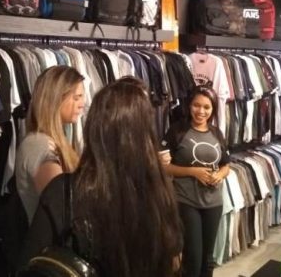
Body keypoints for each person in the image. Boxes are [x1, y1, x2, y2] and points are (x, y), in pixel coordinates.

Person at [18, 77, 183, 277]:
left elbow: (32, 262)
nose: (81, 104)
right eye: (76, 97)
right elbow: (173, 260)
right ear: (146, 135)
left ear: (93, 128)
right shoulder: (158, 191)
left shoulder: (65, 191)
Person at [162, 85, 230, 277]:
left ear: (213, 109)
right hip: (186, 201)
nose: (201, 111)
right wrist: (193, 172)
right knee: (193, 257)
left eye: (206, 107)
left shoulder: (217, 133)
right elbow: (164, 167)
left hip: (213, 202)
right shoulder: (177, 131)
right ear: (189, 106)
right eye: (196, 105)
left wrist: (220, 175)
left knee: (207, 258)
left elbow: (226, 165)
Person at [15, 65, 85, 224]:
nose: (82, 104)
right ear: (55, 99)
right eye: (76, 98)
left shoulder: (52, 141)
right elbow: (61, 205)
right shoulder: (39, 145)